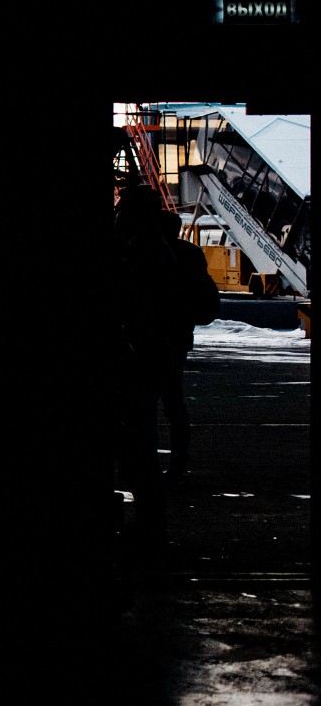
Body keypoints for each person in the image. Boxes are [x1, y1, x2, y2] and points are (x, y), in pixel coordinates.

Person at [112, 186, 221, 525]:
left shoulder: (139, 253)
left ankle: (149, 508)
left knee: (139, 422)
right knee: (170, 407)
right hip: (172, 344)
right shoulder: (179, 253)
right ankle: (173, 470)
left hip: (144, 348)